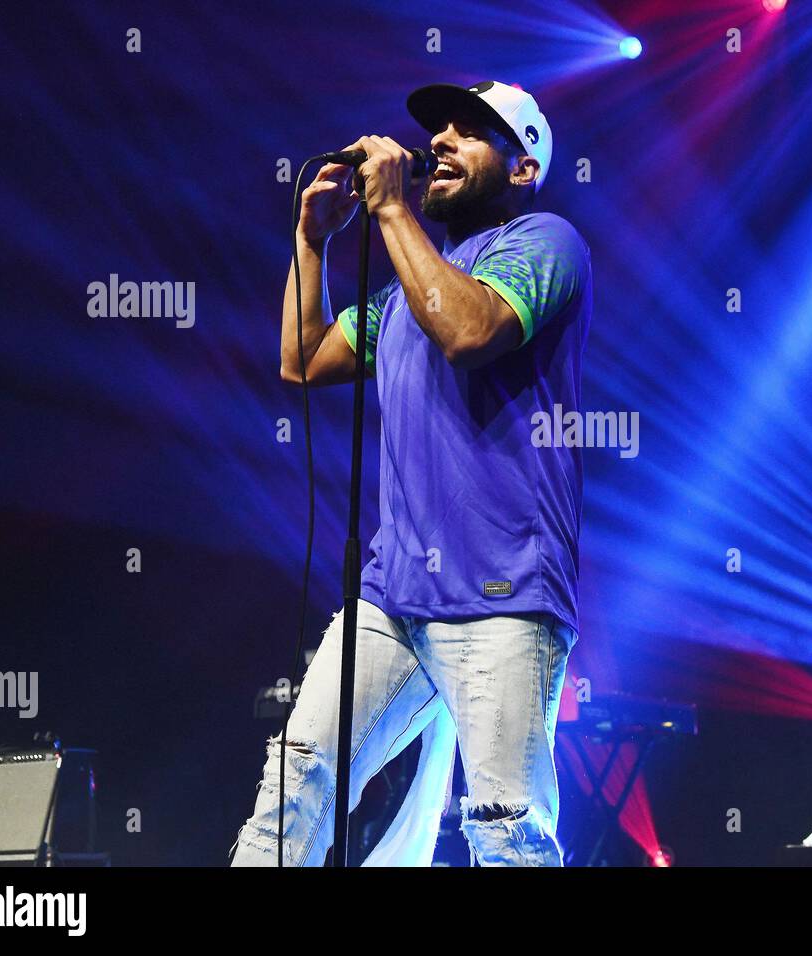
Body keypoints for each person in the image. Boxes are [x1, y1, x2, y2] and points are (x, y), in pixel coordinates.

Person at [230, 81, 592, 867]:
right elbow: (302, 359)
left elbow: (469, 328)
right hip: (395, 594)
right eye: (441, 132)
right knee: (295, 784)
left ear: (523, 167)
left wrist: (390, 209)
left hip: (504, 593)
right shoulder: (403, 297)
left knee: (506, 833)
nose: (442, 144)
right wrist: (312, 240)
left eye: (473, 134)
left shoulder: (547, 243)